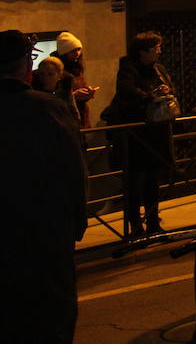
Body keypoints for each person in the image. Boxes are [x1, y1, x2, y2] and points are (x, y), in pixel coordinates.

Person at [0, 29, 88, 344]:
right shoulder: (47, 108)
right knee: (50, 310)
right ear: (24, 64)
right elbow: (73, 168)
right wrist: (79, 216)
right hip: (44, 225)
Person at [110, 32, 177, 237]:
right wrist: (149, 96)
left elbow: (170, 86)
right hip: (137, 136)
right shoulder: (128, 70)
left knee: (153, 182)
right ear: (143, 51)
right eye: (155, 48)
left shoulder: (158, 69)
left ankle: (153, 221)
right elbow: (127, 91)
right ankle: (135, 225)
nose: (159, 51)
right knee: (136, 183)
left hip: (156, 133)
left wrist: (166, 90)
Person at [55, 31, 97, 129]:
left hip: (81, 116)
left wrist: (88, 93)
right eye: (73, 50)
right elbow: (53, 97)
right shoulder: (56, 70)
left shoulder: (77, 68)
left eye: (78, 49)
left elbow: (80, 87)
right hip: (65, 117)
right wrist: (74, 96)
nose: (77, 53)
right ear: (64, 52)